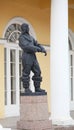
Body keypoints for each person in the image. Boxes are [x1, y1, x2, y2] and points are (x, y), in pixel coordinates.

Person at [19, 23, 47, 93]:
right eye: (27, 27)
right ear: (24, 28)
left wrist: (42, 48)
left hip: (33, 57)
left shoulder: (31, 37)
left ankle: (37, 88)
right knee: (26, 73)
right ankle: (26, 88)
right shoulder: (21, 38)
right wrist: (38, 49)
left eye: (28, 27)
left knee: (38, 71)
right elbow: (26, 47)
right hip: (27, 56)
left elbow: (37, 44)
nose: (28, 28)